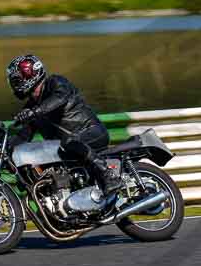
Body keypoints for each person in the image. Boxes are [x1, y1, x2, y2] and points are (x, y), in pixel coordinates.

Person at [6, 54, 122, 197]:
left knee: (69, 141)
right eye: (14, 82)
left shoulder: (56, 82)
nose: (16, 85)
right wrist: (5, 149)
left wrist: (35, 112)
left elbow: (60, 98)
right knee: (38, 163)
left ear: (30, 75)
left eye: (17, 80)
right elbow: (22, 136)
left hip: (90, 132)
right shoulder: (31, 107)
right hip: (66, 147)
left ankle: (108, 175)